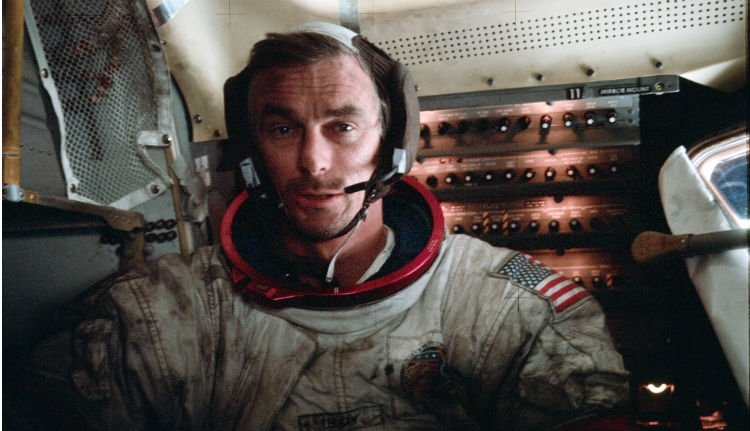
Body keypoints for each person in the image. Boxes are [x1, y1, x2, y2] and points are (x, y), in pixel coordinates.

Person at [24, 22, 630, 430]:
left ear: (392, 143)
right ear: (252, 149)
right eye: (283, 129)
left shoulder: (508, 309)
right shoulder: (153, 321)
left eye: (342, 127)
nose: (313, 162)